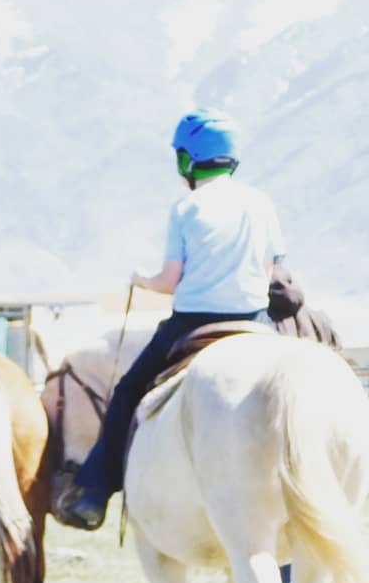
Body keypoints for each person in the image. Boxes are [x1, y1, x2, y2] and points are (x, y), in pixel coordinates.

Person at [55, 107, 285, 531]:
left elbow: (170, 280)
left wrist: (141, 281)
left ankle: (93, 493)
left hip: (194, 323)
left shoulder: (187, 208)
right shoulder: (262, 204)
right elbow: (270, 271)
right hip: (255, 322)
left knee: (126, 392)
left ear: (187, 160)